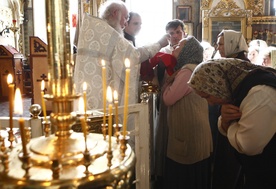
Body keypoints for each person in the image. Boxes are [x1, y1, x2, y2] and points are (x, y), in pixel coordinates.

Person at [188, 58, 276, 189]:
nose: (210, 103)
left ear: (217, 84)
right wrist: (224, 121)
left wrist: (229, 125)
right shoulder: (236, 88)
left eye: (207, 96)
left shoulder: (260, 92)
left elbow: (248, 145)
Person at [161, 36, 213, 189]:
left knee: (185, 178)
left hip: (189, 133)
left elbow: (168, 99)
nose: (174, 47)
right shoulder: (191, 68)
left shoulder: (187, 71)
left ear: (187, 51)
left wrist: (165, 86)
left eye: (179, 46)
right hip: (194, 130)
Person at [211, 29, 249, 189]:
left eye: (221, 44)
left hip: (236, 122)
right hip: (225, 121)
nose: (218, 47)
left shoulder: (241, 65)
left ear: (232, 44)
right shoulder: (226, 62)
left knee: (231, 169)